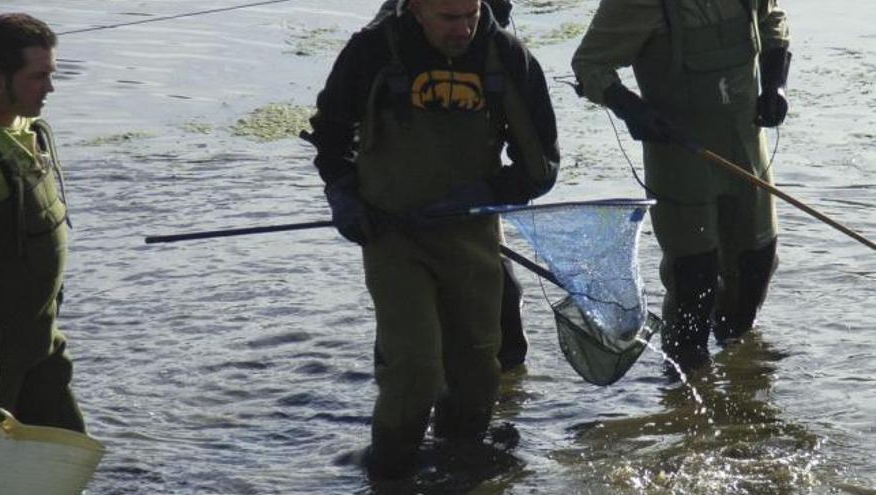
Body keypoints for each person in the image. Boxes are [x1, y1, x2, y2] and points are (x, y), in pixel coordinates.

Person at [308, 0, 559, 478]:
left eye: (471, 14)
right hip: (391, 235)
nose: (463, 28)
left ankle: (460, 464)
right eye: (449, 18)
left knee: (477, 375)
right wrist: (343, 195)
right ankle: (389, 469)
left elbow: (541, 164)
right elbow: (331, 133)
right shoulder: (372, 51)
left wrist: (487, 191)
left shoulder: (506, 56)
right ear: (417, 9)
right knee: (415, 371)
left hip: (471, 235)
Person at [571, 0, 790, 372]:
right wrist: (631, 109)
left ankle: (742, 369)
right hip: (679, 155)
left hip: (747, 146)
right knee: (694, 281)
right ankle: (685, 384)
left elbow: (773, 22)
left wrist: (776, 85)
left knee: (757, 262)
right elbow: (590, 64)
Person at [370, 0, 530, 372]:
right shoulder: (388, 35)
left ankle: (505, 400)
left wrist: (491, 191)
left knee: (504, 300)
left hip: (473, 195)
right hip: (405, 204)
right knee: (408, 326)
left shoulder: (496, 45)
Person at [0, 13, 86, 433]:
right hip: (1, 364)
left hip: (40, 347)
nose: (50, 88)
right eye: (38, 77)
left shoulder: (29, 131)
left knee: (69, 459)